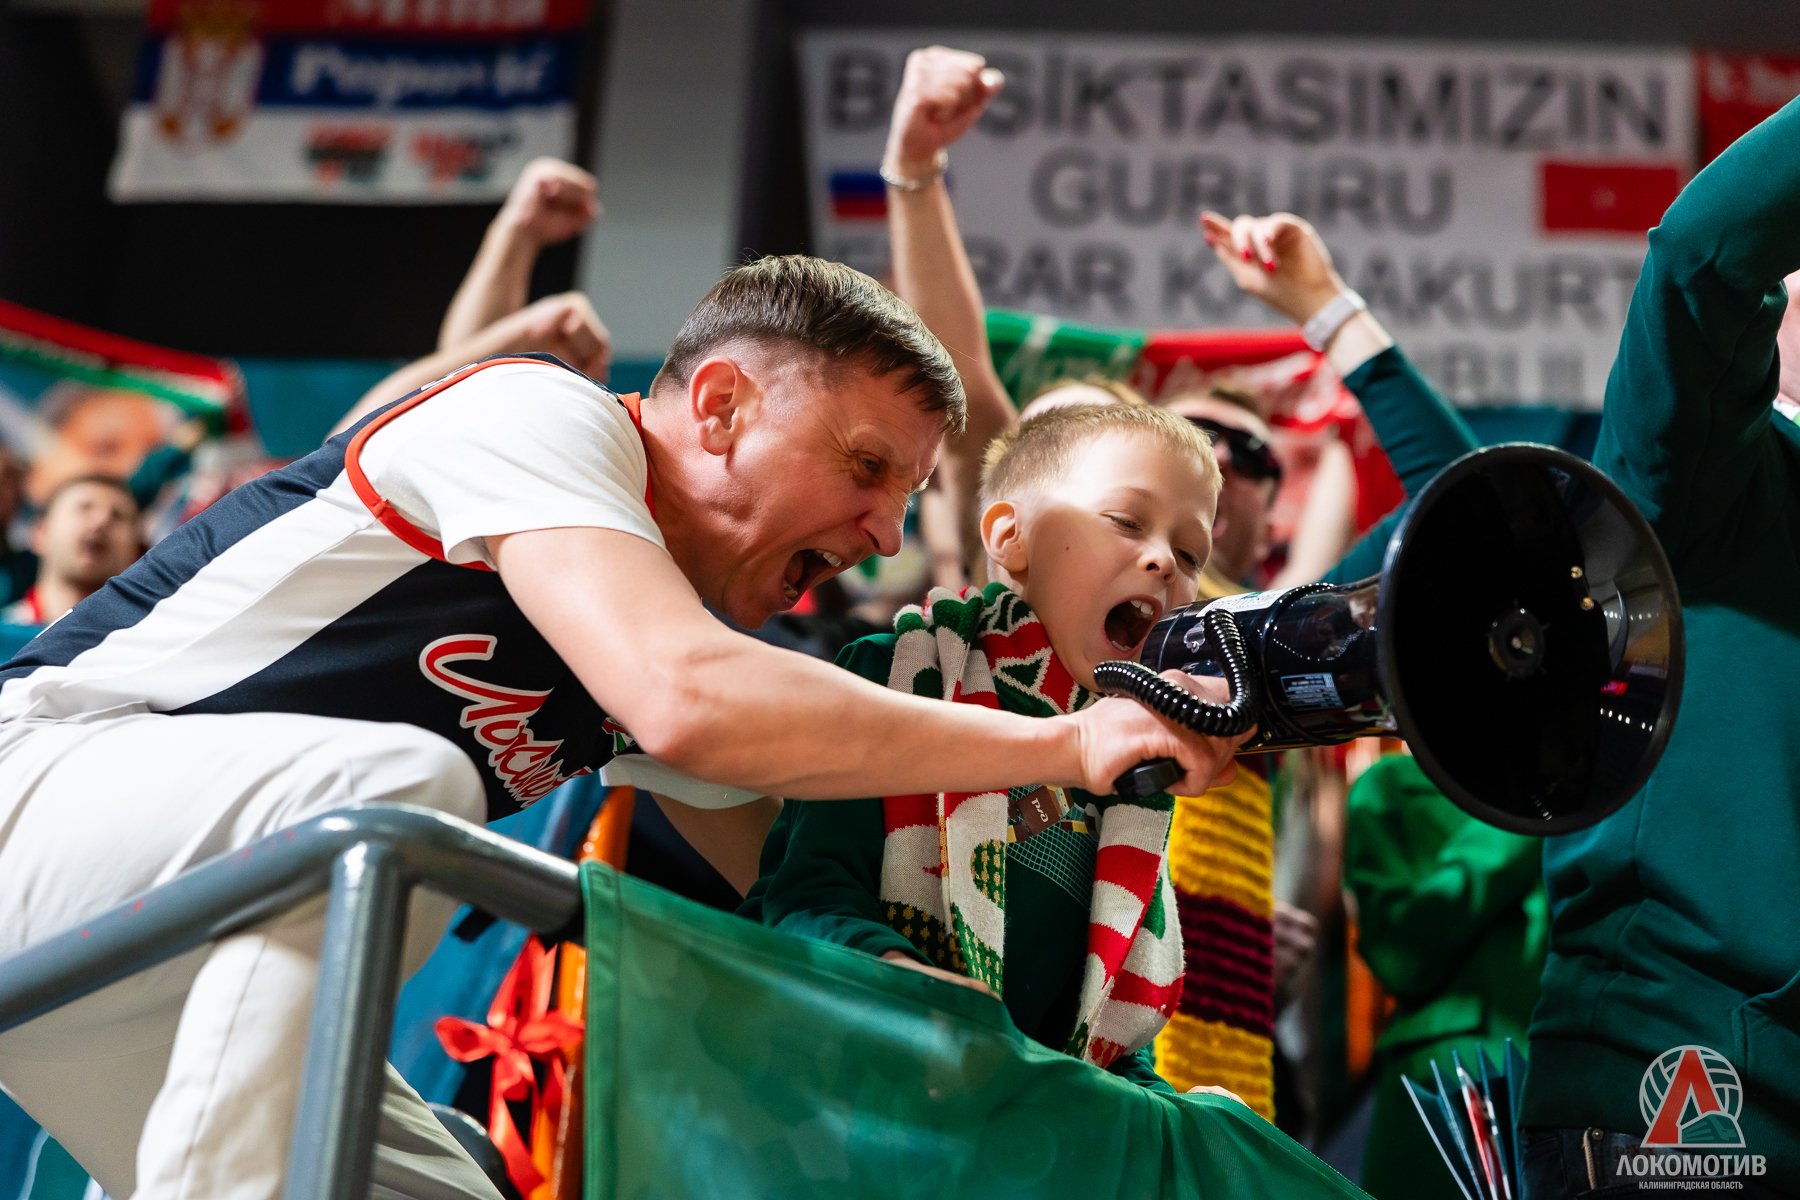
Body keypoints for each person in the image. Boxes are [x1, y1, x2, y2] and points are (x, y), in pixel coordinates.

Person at [0, 255, 1242, 1200]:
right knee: (403, 785)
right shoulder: (541, 418)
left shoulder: (666, 621)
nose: (881, 533)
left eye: (906, 499)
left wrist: (996, 1036)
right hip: (40, 810)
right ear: (720, 405)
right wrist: (1068, 747)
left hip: (161, 973)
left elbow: (808, 874)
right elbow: (688, 699)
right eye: (868, 468)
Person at [744, 401, 1242, 1090]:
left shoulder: (1137, 768)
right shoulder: (890, 674)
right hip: (845, 1086)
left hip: (1017, 1121)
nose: (1163, 562)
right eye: (1127, 522)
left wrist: (1158, 1109)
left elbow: (1105, 1031)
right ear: (1011, 538)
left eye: (1190, 555)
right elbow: (806, 900)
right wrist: (908, 985)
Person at [1344, 752, 1547, 1200]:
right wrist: (1518, 820)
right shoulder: (1392, 786)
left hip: (1580, 1073)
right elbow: (1400, 956)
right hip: (1457, 1084)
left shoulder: (1601, 783)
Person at [0, 474, 140, 627]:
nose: (101, 521)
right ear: (41, 533)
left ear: (135, 551)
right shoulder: (5, 631)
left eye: (118, 516)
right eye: (84, 508)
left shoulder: (145, 639)